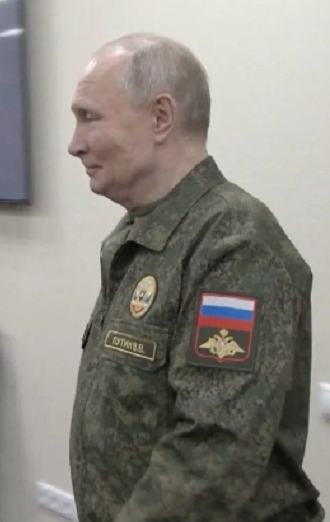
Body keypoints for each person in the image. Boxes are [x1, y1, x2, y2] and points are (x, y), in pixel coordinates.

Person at [68, 33, 323, 521]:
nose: (74, 144)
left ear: (161, 117)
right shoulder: (138, 236)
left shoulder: (234, 244)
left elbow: (214, 453)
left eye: (89, 117)